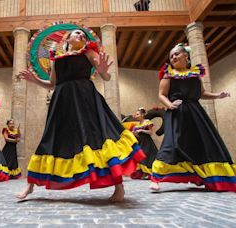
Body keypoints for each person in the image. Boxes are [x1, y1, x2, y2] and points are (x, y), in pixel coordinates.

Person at [16, 28, 145, 201]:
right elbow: (53, 84)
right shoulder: (56, 58)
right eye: (77, 34)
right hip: (62, 102)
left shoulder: (88, 52)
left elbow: (105, 77)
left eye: (84, 35)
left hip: (85, 99)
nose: (81, 36)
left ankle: (119, 188)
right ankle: (30, 186)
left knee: (100, 137)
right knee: (51, 139)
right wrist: (36, 81)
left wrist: (103, 71)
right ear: (67, 39)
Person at [149, 43, 236, 192]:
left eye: (176, 54)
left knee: (201, 144)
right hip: (177, 113)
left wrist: (217, 95)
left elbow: (201, 93)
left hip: (196, 113)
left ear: (186, 55)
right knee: (172, 144)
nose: (173, 57)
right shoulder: (169, 74)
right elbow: (161, 94)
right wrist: (170, 105)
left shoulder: (195, 75)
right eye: (171, 56)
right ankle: (156, 178)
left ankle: (202, 177)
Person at [130, 107, 158, 180]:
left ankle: (149, 172)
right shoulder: (136, 125)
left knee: (146, 157)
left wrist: (142, 130)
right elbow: (136, 135)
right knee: (140, 156)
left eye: (138, 114)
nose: (136, 115)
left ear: (142, 115)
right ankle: (143, 172)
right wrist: (134, 133)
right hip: (140, 142)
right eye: (136, 114)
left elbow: (151, 132)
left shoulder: (147, 122)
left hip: (147, 143)